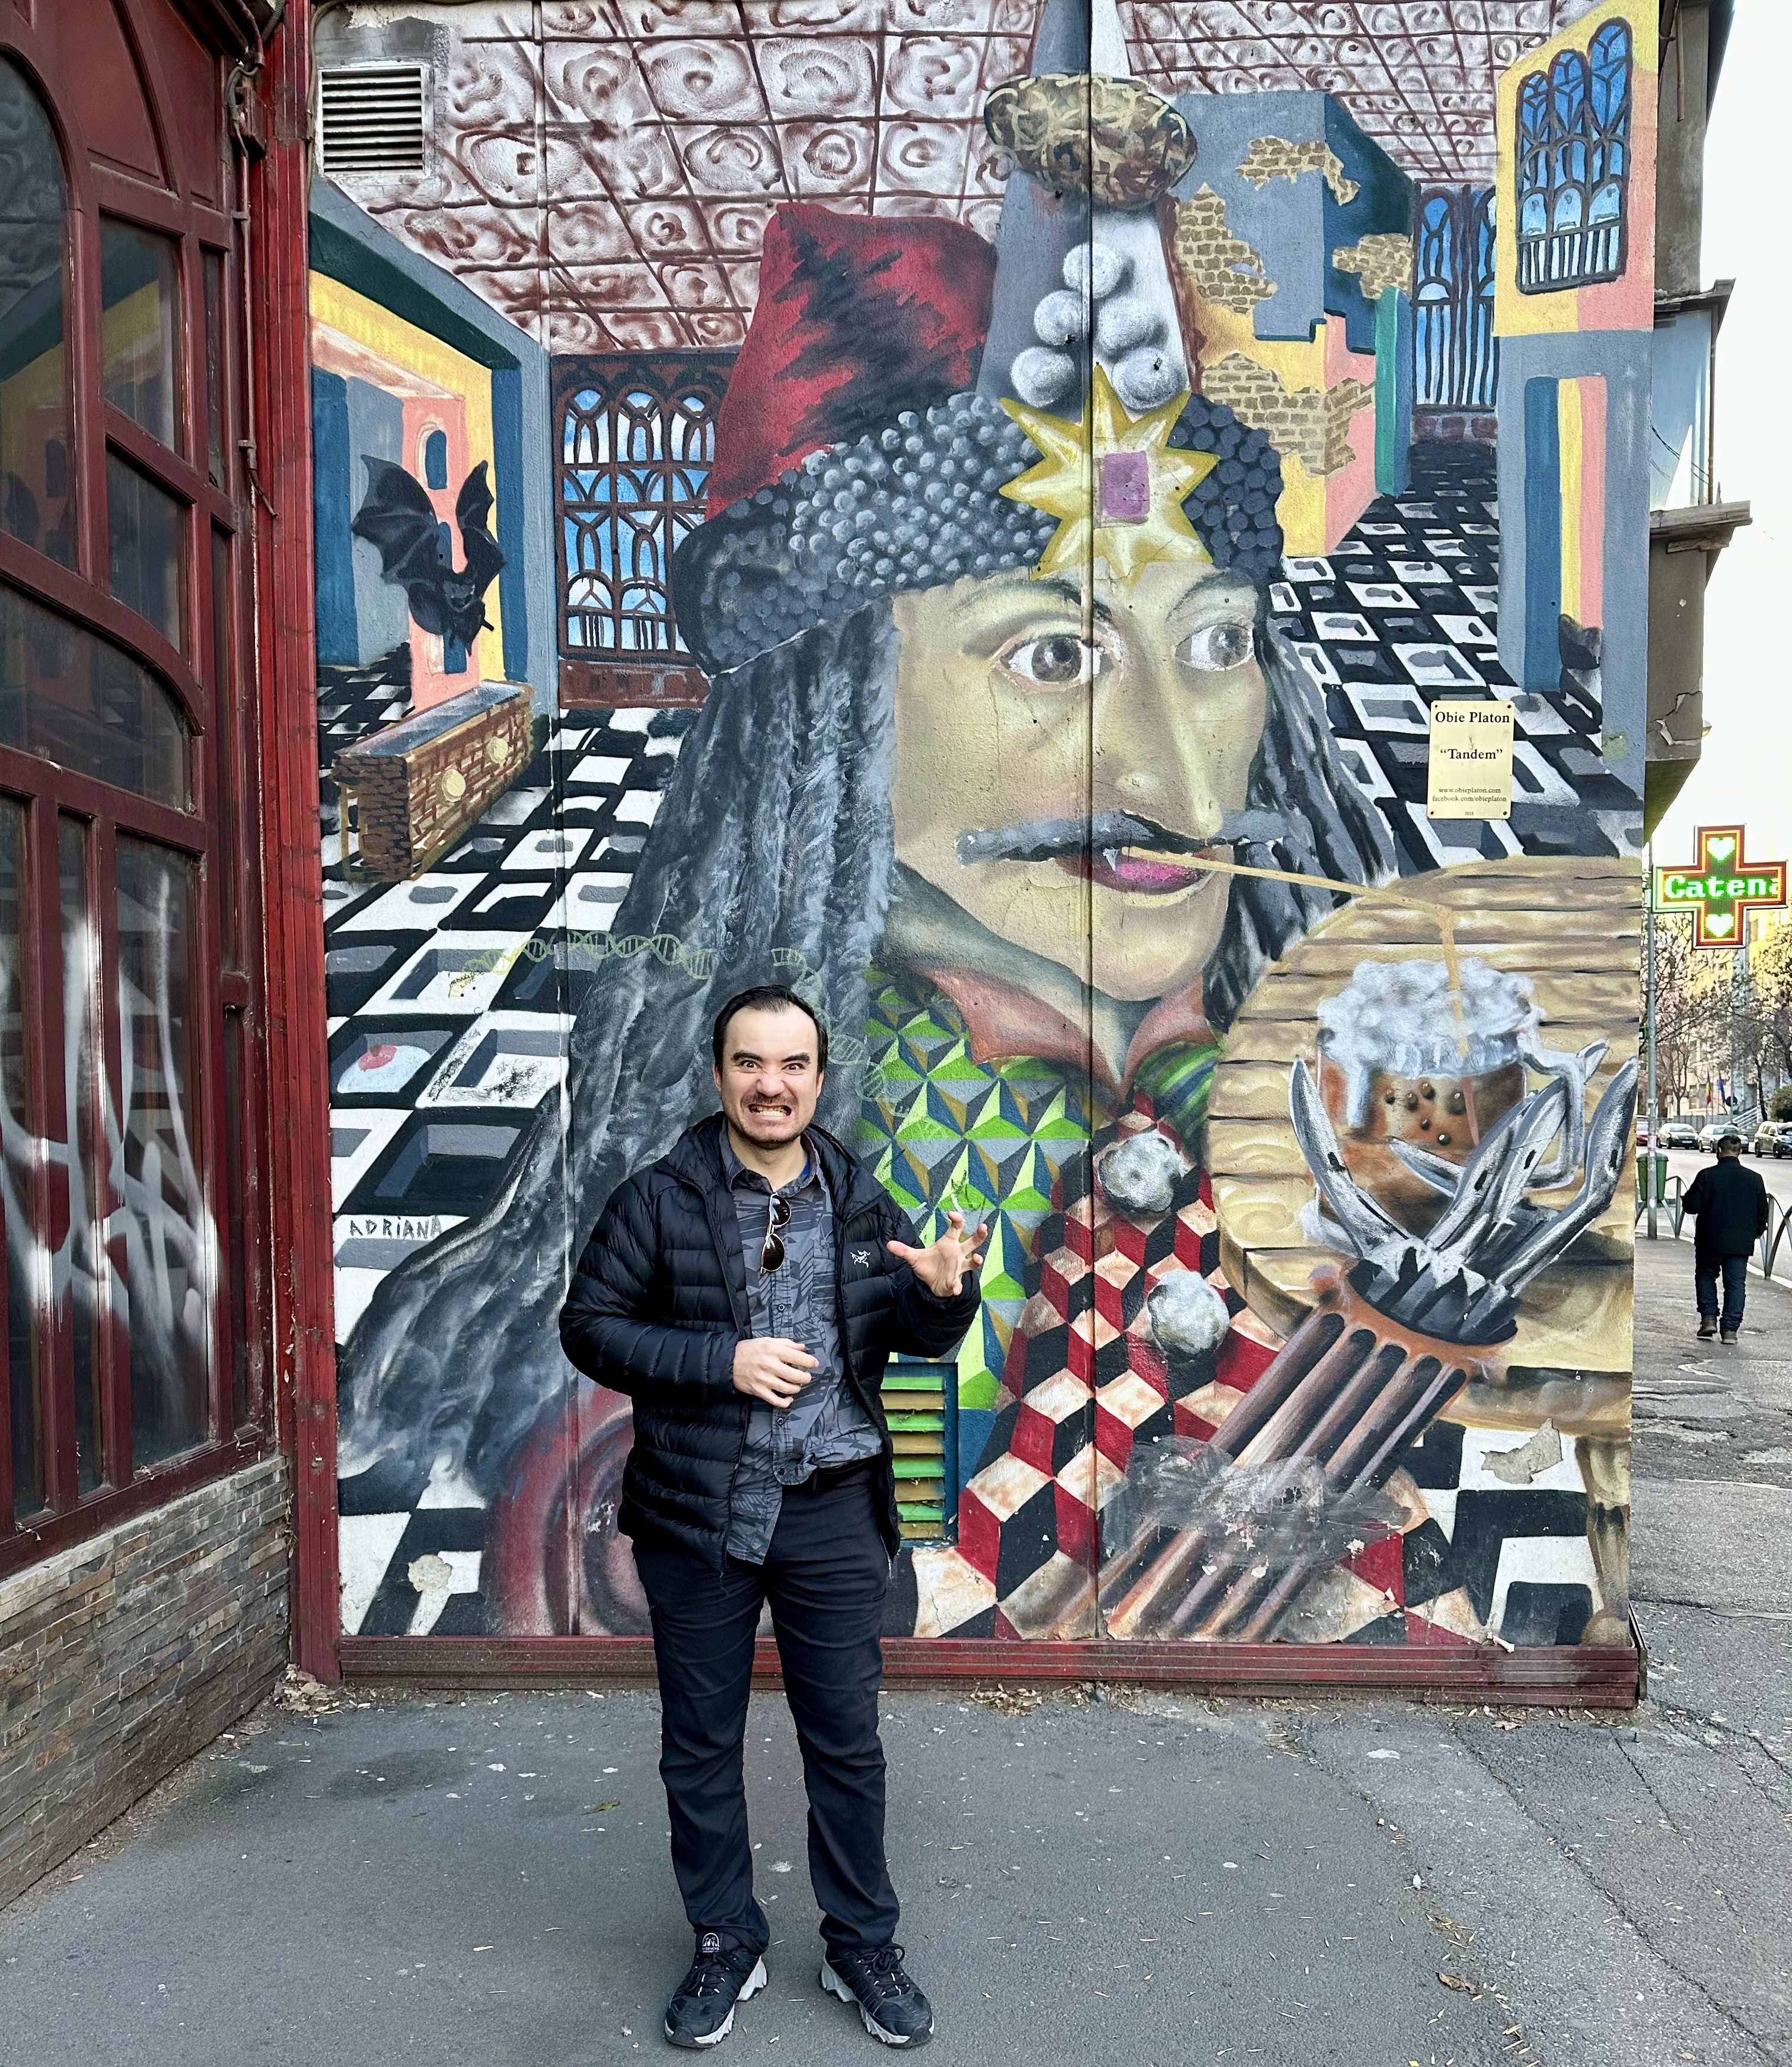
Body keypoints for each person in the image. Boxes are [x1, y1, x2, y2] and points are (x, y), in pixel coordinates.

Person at [560, 985, 985, 2050]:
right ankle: (722, 1940)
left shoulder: (858, 1198)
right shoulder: (657, 1201)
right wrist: (723, 1360)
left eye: (793, 1064)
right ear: (718, 1075)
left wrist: (940, 1293)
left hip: (833, 1508)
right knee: (697, 1744)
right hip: (699, 1514)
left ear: (818, 1077)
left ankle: (860, 1946)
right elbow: (591, 1328)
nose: (771, 1083)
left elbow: (918, 1335)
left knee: (845, 1739)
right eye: (750, 1063)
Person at [1683, 1129, 1769, 1343]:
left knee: (1705, 1277)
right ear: (1739, 1152)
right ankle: (1730, 1331)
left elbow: (1692, 1206)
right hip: (1740, 1243)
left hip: (1710, 1241)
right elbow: (1762, 1213)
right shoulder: (1754, 1179)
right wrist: (1755, 1232)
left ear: (1719, 1151)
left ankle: (1709, 1320)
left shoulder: (1707, 1176)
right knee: (1736, 1284)